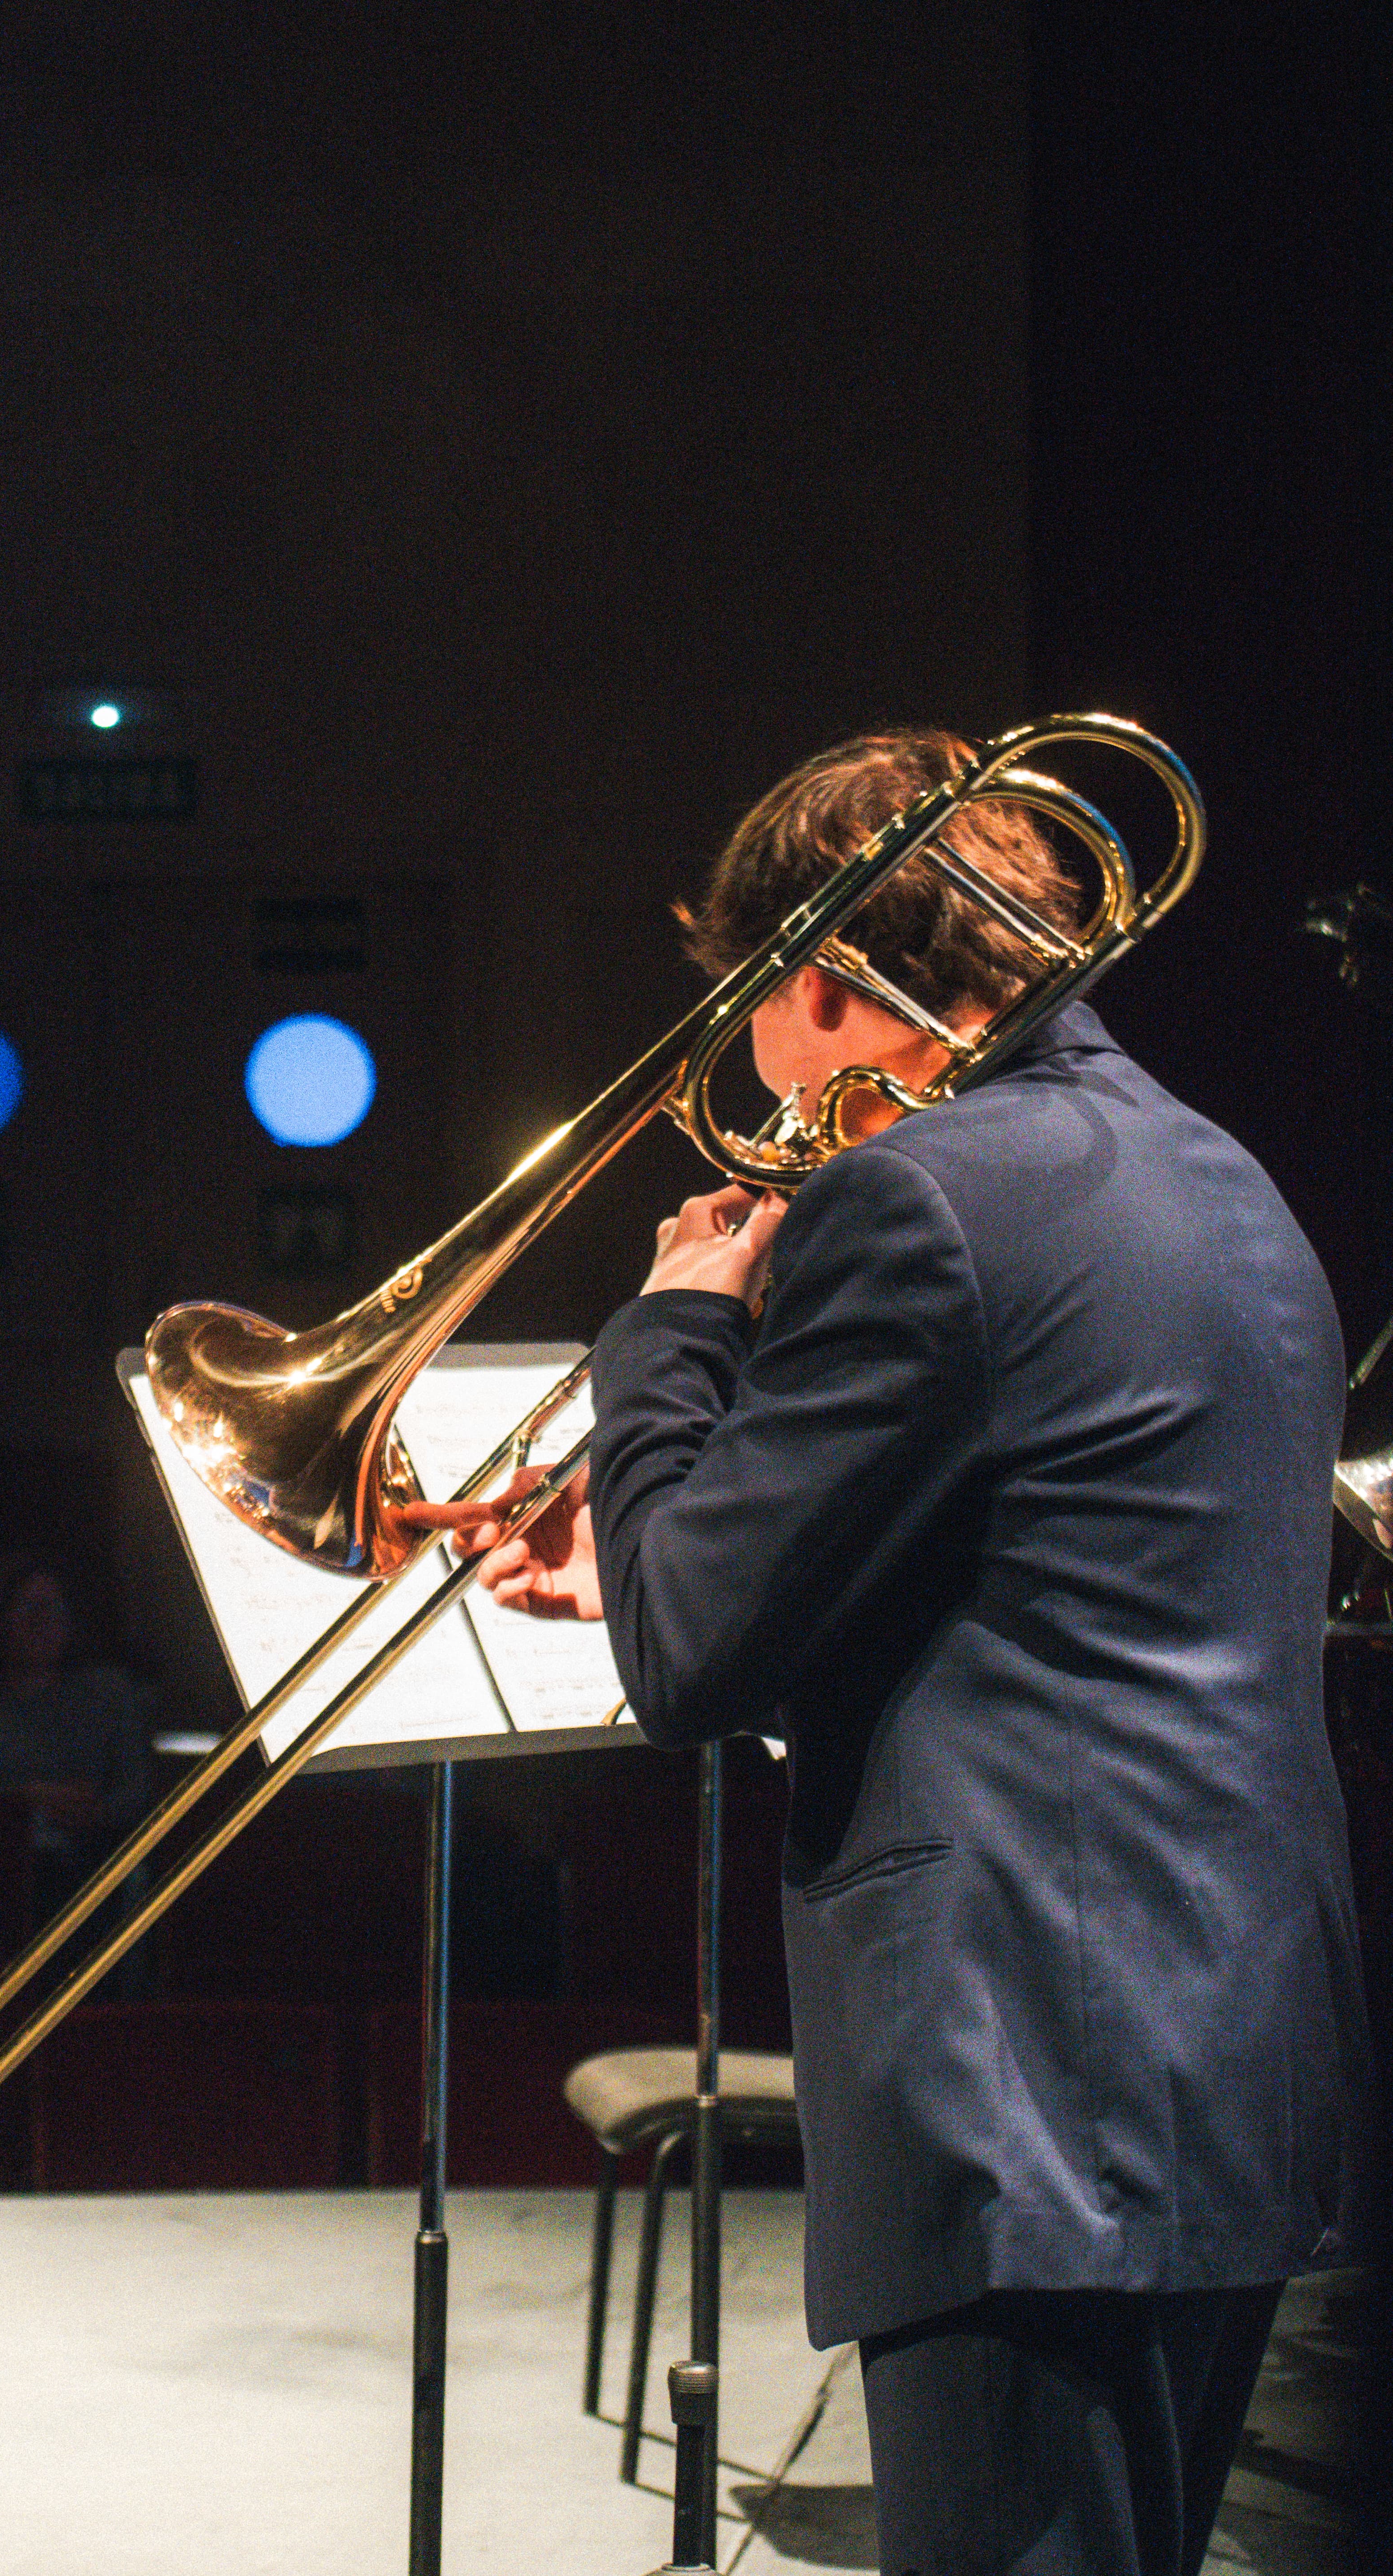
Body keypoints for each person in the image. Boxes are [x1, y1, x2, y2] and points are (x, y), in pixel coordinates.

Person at [426, 731, 1370, 2574]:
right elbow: (1036, 1609)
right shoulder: (1222, 1178)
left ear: (813, 984)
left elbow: (689, 1653)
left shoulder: (919, 1192)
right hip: (1227, 2057)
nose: (774, 1120)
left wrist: (672, 1336)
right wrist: (649, 1538)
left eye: (765, 1046)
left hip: (1028, 2082)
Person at [0, 1552, 152, 1911]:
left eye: (54, 1609)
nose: (42, 1624)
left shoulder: (109, 1698)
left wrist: (93, 1816)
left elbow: (135, 1792)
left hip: (91, 1871)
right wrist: (26, 1803)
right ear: (0, 1619)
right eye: (29, 1608)